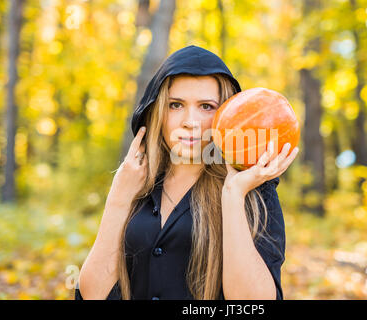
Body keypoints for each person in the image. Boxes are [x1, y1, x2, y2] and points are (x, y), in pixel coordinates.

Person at [75, 45, 299, 300]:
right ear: (157, 110)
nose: (189, 121)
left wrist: (233, 195)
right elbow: (92, 294)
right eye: (175, 105)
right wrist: (118, 197)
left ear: (227, 113)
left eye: (206, 106)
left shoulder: (256, 192)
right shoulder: (135, 183)